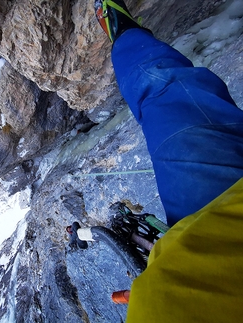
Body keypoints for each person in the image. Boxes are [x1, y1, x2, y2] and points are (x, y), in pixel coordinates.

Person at [91, 0, 243, 322]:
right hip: (221, 235)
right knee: (164, 91)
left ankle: (124, 32)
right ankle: (123, 32)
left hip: (211, 257)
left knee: (167, 97)